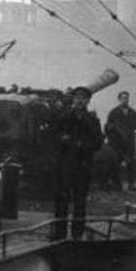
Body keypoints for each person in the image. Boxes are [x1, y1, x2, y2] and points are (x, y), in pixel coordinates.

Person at [43, 86, 104, 240]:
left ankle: (77, 234)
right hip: (64, 165)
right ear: (73, 100)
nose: (79, 101)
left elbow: (98, 141)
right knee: (61, 199)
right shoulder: (63, 117)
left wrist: (81, 145)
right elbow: (52, 135)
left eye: (83, 98)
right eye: (77, 98)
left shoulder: (92, 120)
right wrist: (63, 139)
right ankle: (60, 233)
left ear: (88, 101)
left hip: (83, 165)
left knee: (80, 202)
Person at [104, 90, 136, 191]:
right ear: (119, 99)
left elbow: (135, 125)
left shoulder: (132, 112)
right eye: (123, 98)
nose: (125, 100)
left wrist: (127, 132)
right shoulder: (113, 112)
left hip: (129, 141)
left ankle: (131, 184)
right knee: (116, 162)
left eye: (127, 98)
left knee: (130, 162)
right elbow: (109, 126)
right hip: (117, 142)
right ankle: (116, 184)